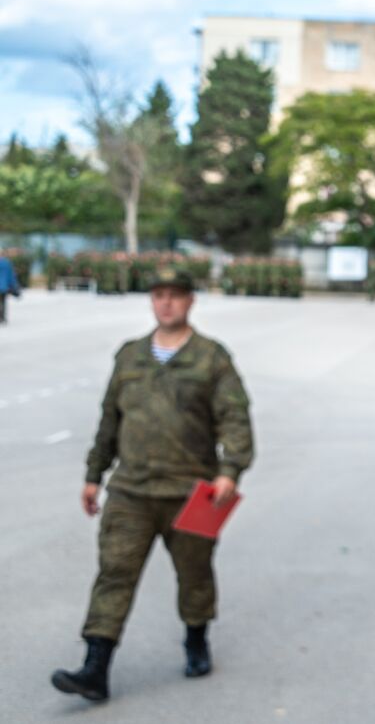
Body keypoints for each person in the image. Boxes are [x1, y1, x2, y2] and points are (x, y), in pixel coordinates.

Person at [52, 266, 254, 702]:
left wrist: (229, 471)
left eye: (175, 295)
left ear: (190, 302)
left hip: (192, 492)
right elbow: (110, 419)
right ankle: (95, 667)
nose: (166, 303)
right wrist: (94, 474)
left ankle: (196, 638)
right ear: (151, 301)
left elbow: (235, 418)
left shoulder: (211, 358)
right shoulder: (129, 356)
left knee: (194, 575)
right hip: (132, 491)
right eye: (159, 295)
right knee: (114, 573)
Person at [0, 253, 21, 324]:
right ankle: (2, 317)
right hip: (4, 286)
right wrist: (14, 285)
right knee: (3, 302)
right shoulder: (7, 263)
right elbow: (11, 275)